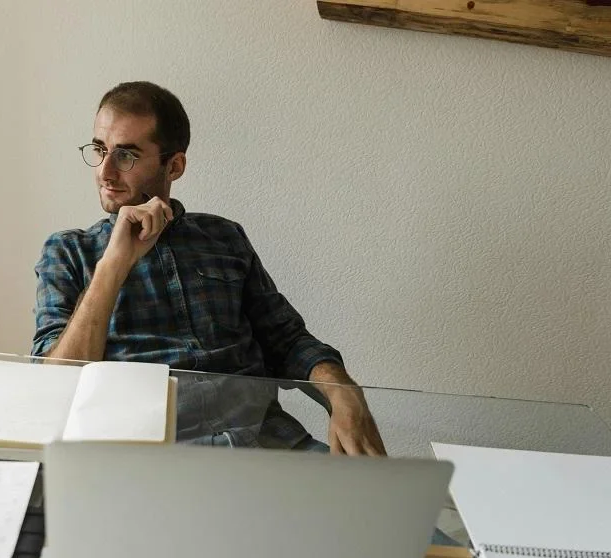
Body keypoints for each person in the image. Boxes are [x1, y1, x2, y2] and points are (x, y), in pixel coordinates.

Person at [31, 81, 384, 456]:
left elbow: (288, 339)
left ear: (175, 165)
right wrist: (113, 265)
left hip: (265, 445)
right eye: (99, 150)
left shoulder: (224, 238)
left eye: (126, 156)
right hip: (150, 457)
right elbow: (55, 385)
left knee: (393, 508)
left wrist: (344, 394)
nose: (105, 172)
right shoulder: (69, 251)